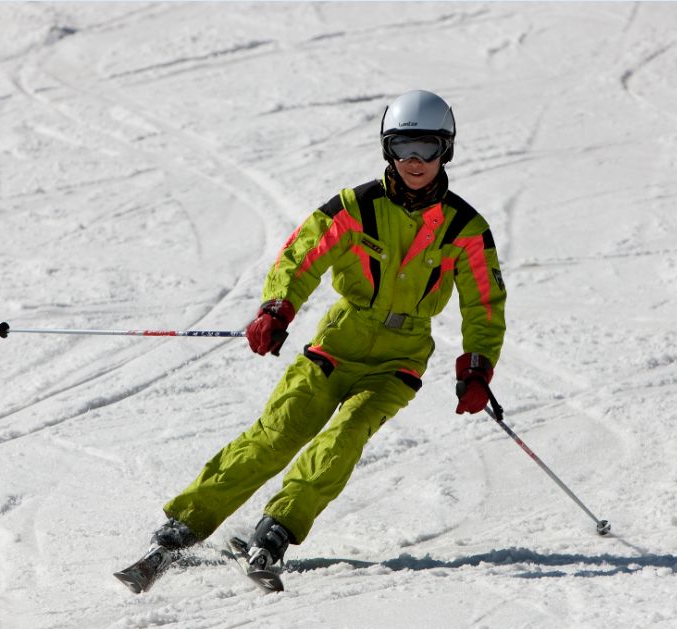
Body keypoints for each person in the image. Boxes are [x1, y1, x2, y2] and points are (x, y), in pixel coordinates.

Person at [138, 89, 505, 582]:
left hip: (399, 358)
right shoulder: (357, 207)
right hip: (339, 342)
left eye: (427, 148)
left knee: (346, 435)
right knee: (279, 432)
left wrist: (478, 365)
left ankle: (276, 530)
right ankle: (183, 525)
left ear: (447, 150)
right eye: (403, 148)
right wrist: (277, 307)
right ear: (387, 150)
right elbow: (302, 256)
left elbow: (484, 303)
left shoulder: (466, 227)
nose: (415, 161)